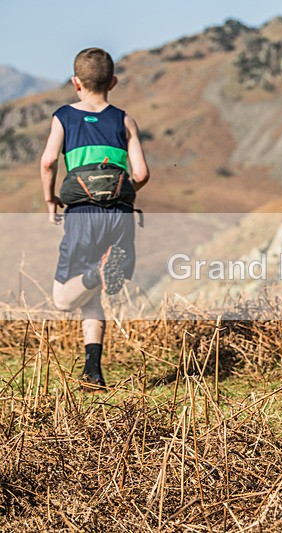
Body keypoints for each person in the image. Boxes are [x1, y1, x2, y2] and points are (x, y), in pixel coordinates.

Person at [40, 48, 150, 390]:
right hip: (119, 214)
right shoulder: (124, 119)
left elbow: (47, 162)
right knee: (93, 297)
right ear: (112, 82)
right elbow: (142, 173)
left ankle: (97, 271)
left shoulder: (64, 117)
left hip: (83, 213)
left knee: (62, 299)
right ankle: (93, 372)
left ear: (76, 83)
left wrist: (50, 201)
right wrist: (119, 193)